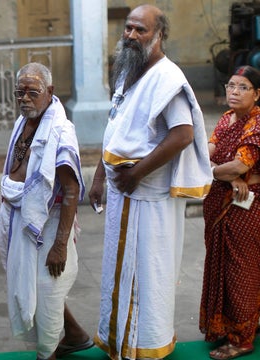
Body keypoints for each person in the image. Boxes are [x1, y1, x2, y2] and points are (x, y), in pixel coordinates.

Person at [87, 5, 212, 360]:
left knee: (147, 274)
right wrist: (100, 175)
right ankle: (119, 340)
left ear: (159, 36)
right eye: (128, 28)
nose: (130, 35)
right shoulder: (129, 71)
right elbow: (116, 130)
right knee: (118, 269)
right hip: (123, 193)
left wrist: (137, 173)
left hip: (148, 199)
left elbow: (183, 134)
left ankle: (147, 345)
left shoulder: (168, 79)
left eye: (140, 30)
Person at [0, 62, 90, 360]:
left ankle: (46, 354)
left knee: (47, 291)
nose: (24, 99)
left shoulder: (60, 130)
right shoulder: (23, 123)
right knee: (34, 287)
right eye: (19, 93)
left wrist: (60, 245)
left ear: (50, 92)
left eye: (32, 92)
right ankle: (75, 335)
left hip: (50, 225)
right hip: (22, 218)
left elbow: (71, 190)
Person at [200, 65, 260, 360]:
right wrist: (221, 174)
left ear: (257, 93)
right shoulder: (225, 119)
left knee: (242, 271)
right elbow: (205, 153)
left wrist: (220, 173)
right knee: (221, 265)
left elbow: (240, 166)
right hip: (219, 202)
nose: (234, 92)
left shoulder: (256, 124)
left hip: (246, 207)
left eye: (243, 87)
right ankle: (232, 325)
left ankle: (242, 338)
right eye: (231, 86)